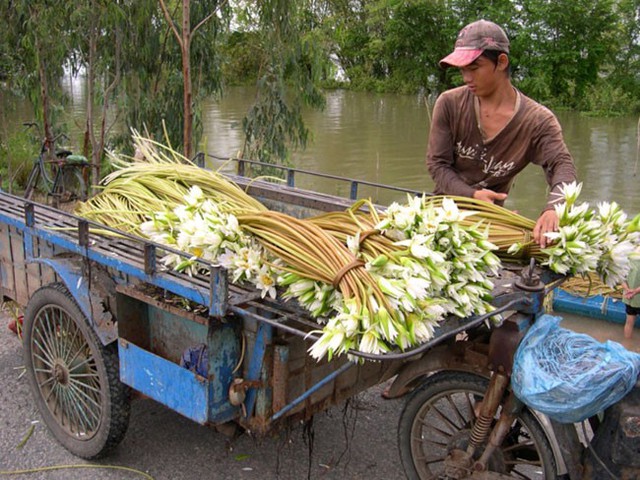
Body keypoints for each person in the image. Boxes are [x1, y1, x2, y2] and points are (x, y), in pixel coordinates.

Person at [427, 20, 577, 248]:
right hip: (441, 214)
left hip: (492, 225)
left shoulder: (537, 121)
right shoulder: (449, 104)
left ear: (501, 62)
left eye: (474, 68)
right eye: (462, 70)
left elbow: (562, 165)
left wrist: (554, 208)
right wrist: (474, 196)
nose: (466, 78)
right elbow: (437, 165)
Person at [622, 256, 640, 339]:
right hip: (636, 297)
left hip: (629, 297)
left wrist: (627, 290)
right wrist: (635, 291)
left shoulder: (626, 260)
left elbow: (621, 278)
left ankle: (627, 345)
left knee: (629, 322)